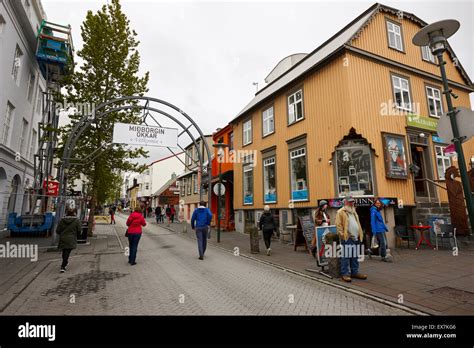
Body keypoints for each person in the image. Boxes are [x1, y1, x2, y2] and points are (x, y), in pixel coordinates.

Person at [335, 195, 367, 283]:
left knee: (355, 256)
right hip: (347, 238)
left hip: (356, 237)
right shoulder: (340, 212)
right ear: (345, 202)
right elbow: (338, 225)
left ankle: (354, 272)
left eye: (352, 201)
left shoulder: (353, 211)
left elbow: (357, 223)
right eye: (349, 201)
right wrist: (343, 236)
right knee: (346, 256)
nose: (351, 203)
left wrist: (360, 234)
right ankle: (345, 274)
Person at [56, 207, 81, 273]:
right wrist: (77, 236)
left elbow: (58, 230)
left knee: (64, 251)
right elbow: (79, 230)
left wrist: (61, 234)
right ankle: (63, 266)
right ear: (74, 213)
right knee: (67, 251)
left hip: (63, 238)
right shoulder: (77, 220)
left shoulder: (62, 220)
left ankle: (65, 263)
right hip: (71, 238)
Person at [369, 198, 390, 262]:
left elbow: (381, 222)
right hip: (378, 230)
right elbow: (372, 221)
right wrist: (374, 231)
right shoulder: (373, 211)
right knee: (383, 243)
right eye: (377, 203)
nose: (378, 204)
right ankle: (383, 257)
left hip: (381, 229)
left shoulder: (378, 211)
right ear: (374, 204)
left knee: (379, 243)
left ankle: (369, 250)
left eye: (379, 203)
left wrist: (385, 228)